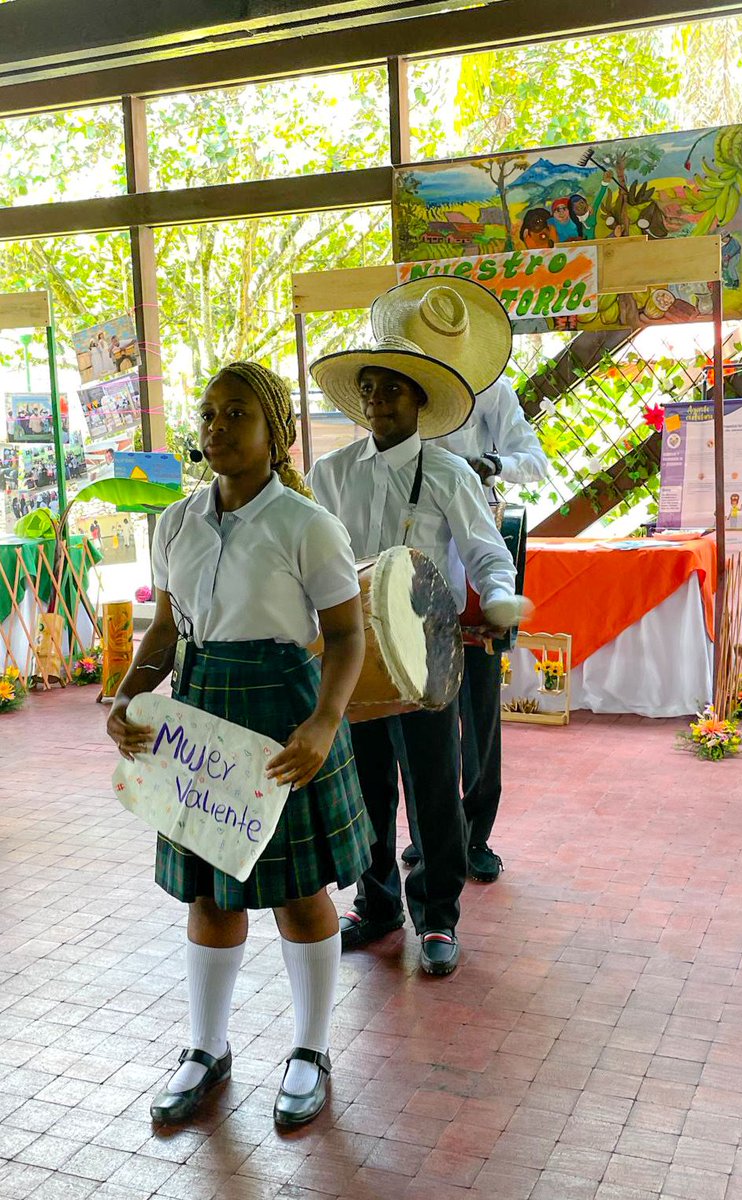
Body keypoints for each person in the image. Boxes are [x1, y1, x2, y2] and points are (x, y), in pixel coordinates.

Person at [106, 361, 372, 1130]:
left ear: (277, 434)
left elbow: (348, 635)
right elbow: (165, 630)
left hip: (282, 713)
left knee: (297, 891)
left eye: (236, 416)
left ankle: (310, 1050)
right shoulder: (176, 522)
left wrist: (323, 722)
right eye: (210, 414)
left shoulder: (307, 524)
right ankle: (205, 1048)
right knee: (209, 892)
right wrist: (128, 695)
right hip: (202, 715)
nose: (216, 429)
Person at [308, 334, 528, 976]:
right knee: (365, 786)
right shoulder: (332, 474)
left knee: (432, 785)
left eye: (393, 388)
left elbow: (487, 550)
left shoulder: (450, 473)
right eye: (370, 388)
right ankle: (375, 904)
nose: (378, 400)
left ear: (419, 400)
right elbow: (315, 561)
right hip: (354, 655)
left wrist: (497, 595)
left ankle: (437, 916)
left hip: (427, 653)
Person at [372, 278, 546, 883]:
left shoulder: (492, 393)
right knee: (415, 712)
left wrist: (489, 464)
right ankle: (430, 832)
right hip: (408, 568)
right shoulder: (397, 392)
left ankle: (476, 833)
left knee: (475, 704)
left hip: (472, 555)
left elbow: (535, 460)